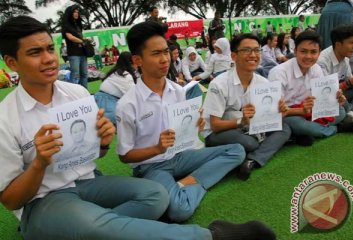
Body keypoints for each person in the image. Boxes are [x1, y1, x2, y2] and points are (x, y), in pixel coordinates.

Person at [0, 15, 277, 240]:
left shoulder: (76, 93)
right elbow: (11, 200)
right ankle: (210, 236)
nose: (49, 58)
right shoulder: (6, 118)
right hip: (44, 198)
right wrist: (39, 163)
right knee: (96, 226)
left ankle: (85, 226)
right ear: (11, 62)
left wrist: (103, 141)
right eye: (35, 53)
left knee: (156, 196)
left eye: (50, 48)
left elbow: (94, 155)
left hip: (88, 183)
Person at [116, 21, 248, 223]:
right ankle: (197, 182)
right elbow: (125, 156)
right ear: (137, 60)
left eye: (166, 52)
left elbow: (182, 131)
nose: (164, 59)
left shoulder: (178, 90)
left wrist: (195, 124)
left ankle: (188, 182)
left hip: (180, 155)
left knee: (237, 150)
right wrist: (157, 148)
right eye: (156, 54)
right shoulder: (128, 104)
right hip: (152, 167)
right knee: (179, 211)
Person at [202, 33, 291, 181]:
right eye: (247, 50)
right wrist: (242, 121)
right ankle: (261, 146)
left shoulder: (263, 82)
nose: (253, 55)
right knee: (249, 142)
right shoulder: (219, 84)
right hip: (219, 132)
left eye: (257, 50)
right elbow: (215, 125)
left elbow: (268, 117)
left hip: (249, 128)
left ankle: (252, 160)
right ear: (234, 56)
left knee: (285, 128)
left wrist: (279, 112)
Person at [268, 31, 353, 147]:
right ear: (295, 51)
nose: (308, 56)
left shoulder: (316, 69)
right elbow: (274, 111)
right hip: (289, 114)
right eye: (303, 51)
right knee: (297, 124)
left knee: (340, 111)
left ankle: (302, 134)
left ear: (319, 53)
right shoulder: (278, 72)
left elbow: (321, 99)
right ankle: (335, 129)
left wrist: (335, 99)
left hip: (310, 110)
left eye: (313, 52)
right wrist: (301, 111)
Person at [317, 24, 353, 115]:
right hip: (325, 98)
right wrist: (350, 82)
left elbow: (350, 81)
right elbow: (323, 92)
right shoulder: (322, 62)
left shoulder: (345, 58)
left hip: (340, 94)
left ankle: (351, 112)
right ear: (338, 44)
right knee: (339, 107)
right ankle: (351, 111)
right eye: (352, 43)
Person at [94, 51, 137, 125]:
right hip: (108, 104)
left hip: (99, 100)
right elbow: (135, 96)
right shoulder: (126, 76)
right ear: (130, 62)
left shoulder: (116, 72)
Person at [61, 4, 88, 88]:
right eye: (74, 12)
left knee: (84, 74)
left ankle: (85, 93)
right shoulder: (66, 25)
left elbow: (79, 37)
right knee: (75, 75)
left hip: (82, 52)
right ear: (70, 13)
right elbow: (70, 37)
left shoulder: (78, 25)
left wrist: (85, 39)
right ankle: (75, 96)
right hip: (73, 54)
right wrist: (82, 41)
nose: (77, 13)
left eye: (77, 12)